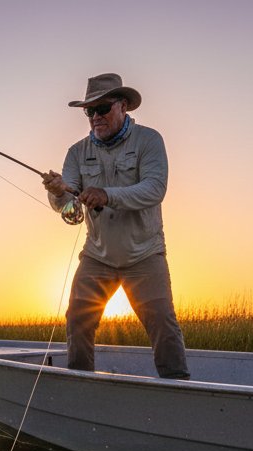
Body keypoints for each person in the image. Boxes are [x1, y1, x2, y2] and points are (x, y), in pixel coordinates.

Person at [42, 73, 191, 380]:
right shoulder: (76, 153)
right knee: (77, 319)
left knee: (162, 323)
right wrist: (57, 194)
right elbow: (73, 213)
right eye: (89, 111)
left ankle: (178, 388)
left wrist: (107, 195)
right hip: (98, 256)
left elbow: (154, 189)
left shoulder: (149, 140)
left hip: (145, 254)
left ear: (123, 106)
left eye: (103, 108)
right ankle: (80, 385)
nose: (96, 117)